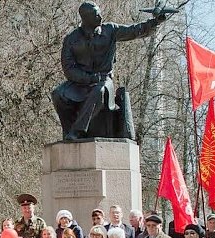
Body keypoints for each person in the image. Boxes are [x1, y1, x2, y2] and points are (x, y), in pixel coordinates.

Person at [51, 2, 165, 140]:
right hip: (80, 83)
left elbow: (134, 31)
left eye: (99, 13)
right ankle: (68, 131)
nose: (100, 17)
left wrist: (155, 22)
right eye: (96, 14)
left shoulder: (110, 30)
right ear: (85, 18)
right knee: (58, 94)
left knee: (99, 91)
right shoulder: (72, 39)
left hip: (104, 81)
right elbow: (68, 68)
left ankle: (77, 131)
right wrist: (88, 78)